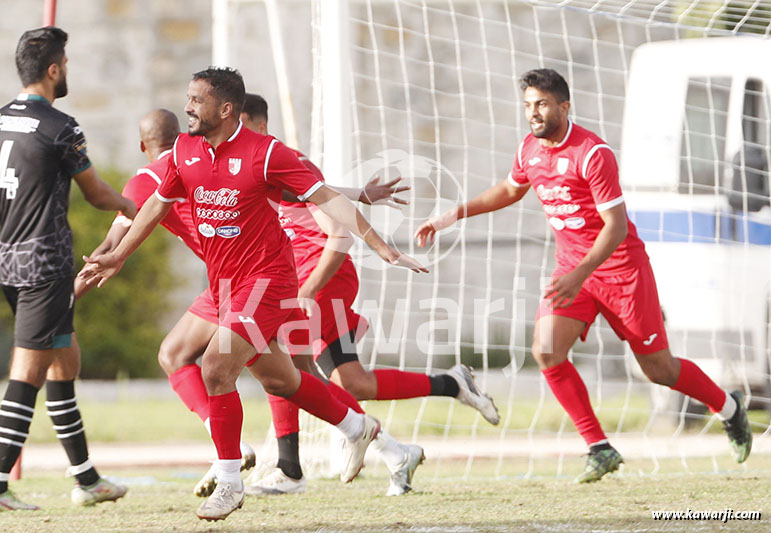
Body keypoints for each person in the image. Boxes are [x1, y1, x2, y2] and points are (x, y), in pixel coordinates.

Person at [79, 67, 427, 521]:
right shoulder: (185, 151)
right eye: (186, 98)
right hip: (225, 286)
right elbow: (156, 205)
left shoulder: (266, 153)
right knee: (282, 380)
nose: (188, 107)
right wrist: (120, 254)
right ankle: (361, 428)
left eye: (196, 100)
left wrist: (381, 245)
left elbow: (322, 198)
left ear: (225, 109)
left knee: (215, 365)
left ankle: (229, 479)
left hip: (267, 281)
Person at [415, 68, 752, 483]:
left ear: (564, 106)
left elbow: (615, 226)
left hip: (621, 271)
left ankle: (730, 408)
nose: (533, 114)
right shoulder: (529, 150)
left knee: (659, 370)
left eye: (541, 104)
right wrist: (456, 212)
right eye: (527, 106)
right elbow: (509, 189)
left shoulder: (594, 154)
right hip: (572, 271)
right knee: (546, 350)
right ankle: (599, 447)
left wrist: (580, 274)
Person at [239, 93, 500, 497]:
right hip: (311, 280)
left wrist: (309, 289)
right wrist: (360, 192)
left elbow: (337, 233)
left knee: (281, 363)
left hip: (321, 278)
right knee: (352, 381)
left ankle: (290, 468)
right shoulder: (260, 166)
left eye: (239, 128)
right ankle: (444, 394)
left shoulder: (280, 157)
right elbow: (317, 191)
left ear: (258, 126)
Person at [0, 27, 135, 511]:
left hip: (7, 259)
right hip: (45, 265)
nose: (69, 71)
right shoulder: (60, 126)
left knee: (64, 360)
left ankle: (87, 478)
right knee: (29, 370)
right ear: (54, 69)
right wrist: (134, 206)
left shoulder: (0, 120)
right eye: (68, 63)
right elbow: (98, 195)